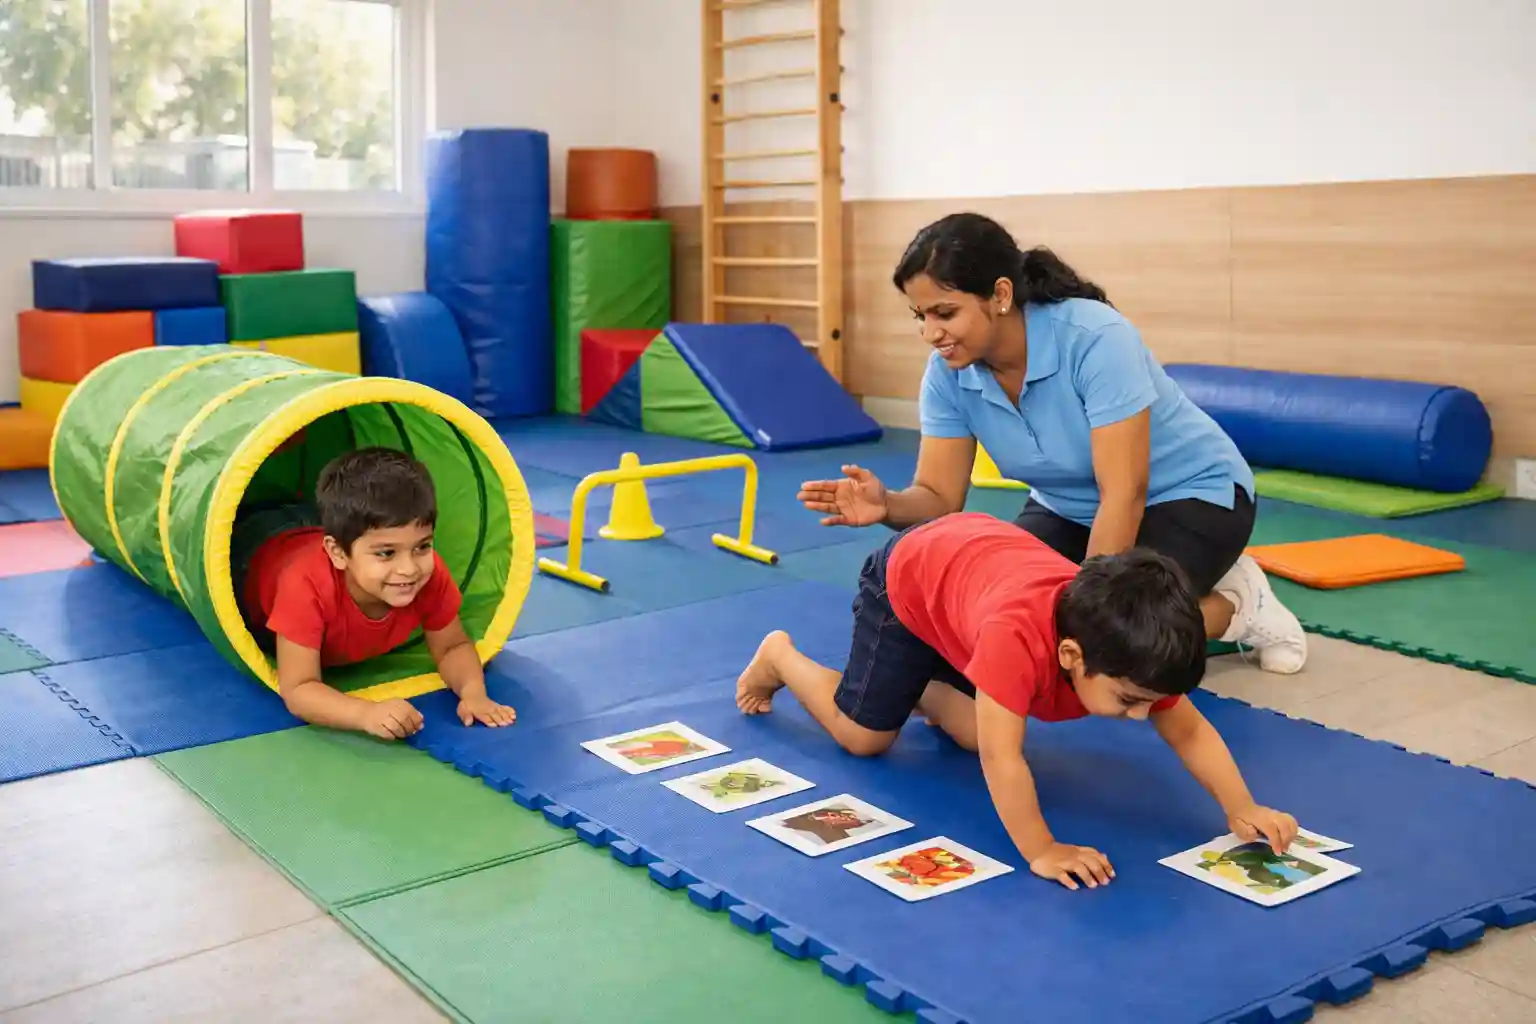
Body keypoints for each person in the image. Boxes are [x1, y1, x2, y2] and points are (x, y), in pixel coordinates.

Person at [798, 212, 1306, 674]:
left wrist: (1088, 614)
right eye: (920, 316)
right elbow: (938, 498)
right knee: (1006, 611)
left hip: (1193, 497)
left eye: (944, 313)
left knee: (1110, 642)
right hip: (1067, 507)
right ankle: (1158, 606)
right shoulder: (947, 374)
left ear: (999, 295)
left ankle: (1240, 607)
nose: (931, 333)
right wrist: (885, 503)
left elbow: (1124, 492)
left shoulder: (1094, 338)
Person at [735, 512, 1299, 890]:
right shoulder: (1016, 641)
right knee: (866, 738)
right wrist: (1043, 848)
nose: (1141, 716)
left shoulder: (1137, 652)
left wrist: (1241, 805)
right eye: (1129, 701)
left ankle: (920, 686)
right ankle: (780, 655)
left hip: (970, 579)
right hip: (909, 581)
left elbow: (1189, 730)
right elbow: (1003, 761)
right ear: (1073, 655)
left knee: (980, 728)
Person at [233, 446, 517, 741]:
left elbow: (452, 647)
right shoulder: (304, 587)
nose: (408, 568)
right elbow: (299, 688)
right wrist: (365, 714)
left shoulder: (428, 575)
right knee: (250, 514)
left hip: (316, 529)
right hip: (256, 549)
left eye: (422, 546)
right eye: (386, 553)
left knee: (338, 520)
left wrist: (473, 694)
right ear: (338, 554)